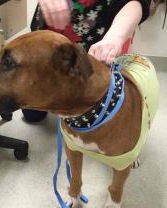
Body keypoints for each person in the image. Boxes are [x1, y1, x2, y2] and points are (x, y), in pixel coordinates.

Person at [22, 0, 151, 122]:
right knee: (32, 114)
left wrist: (114, 37)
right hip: (49, 39)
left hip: (93, 44)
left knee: (90, 109)